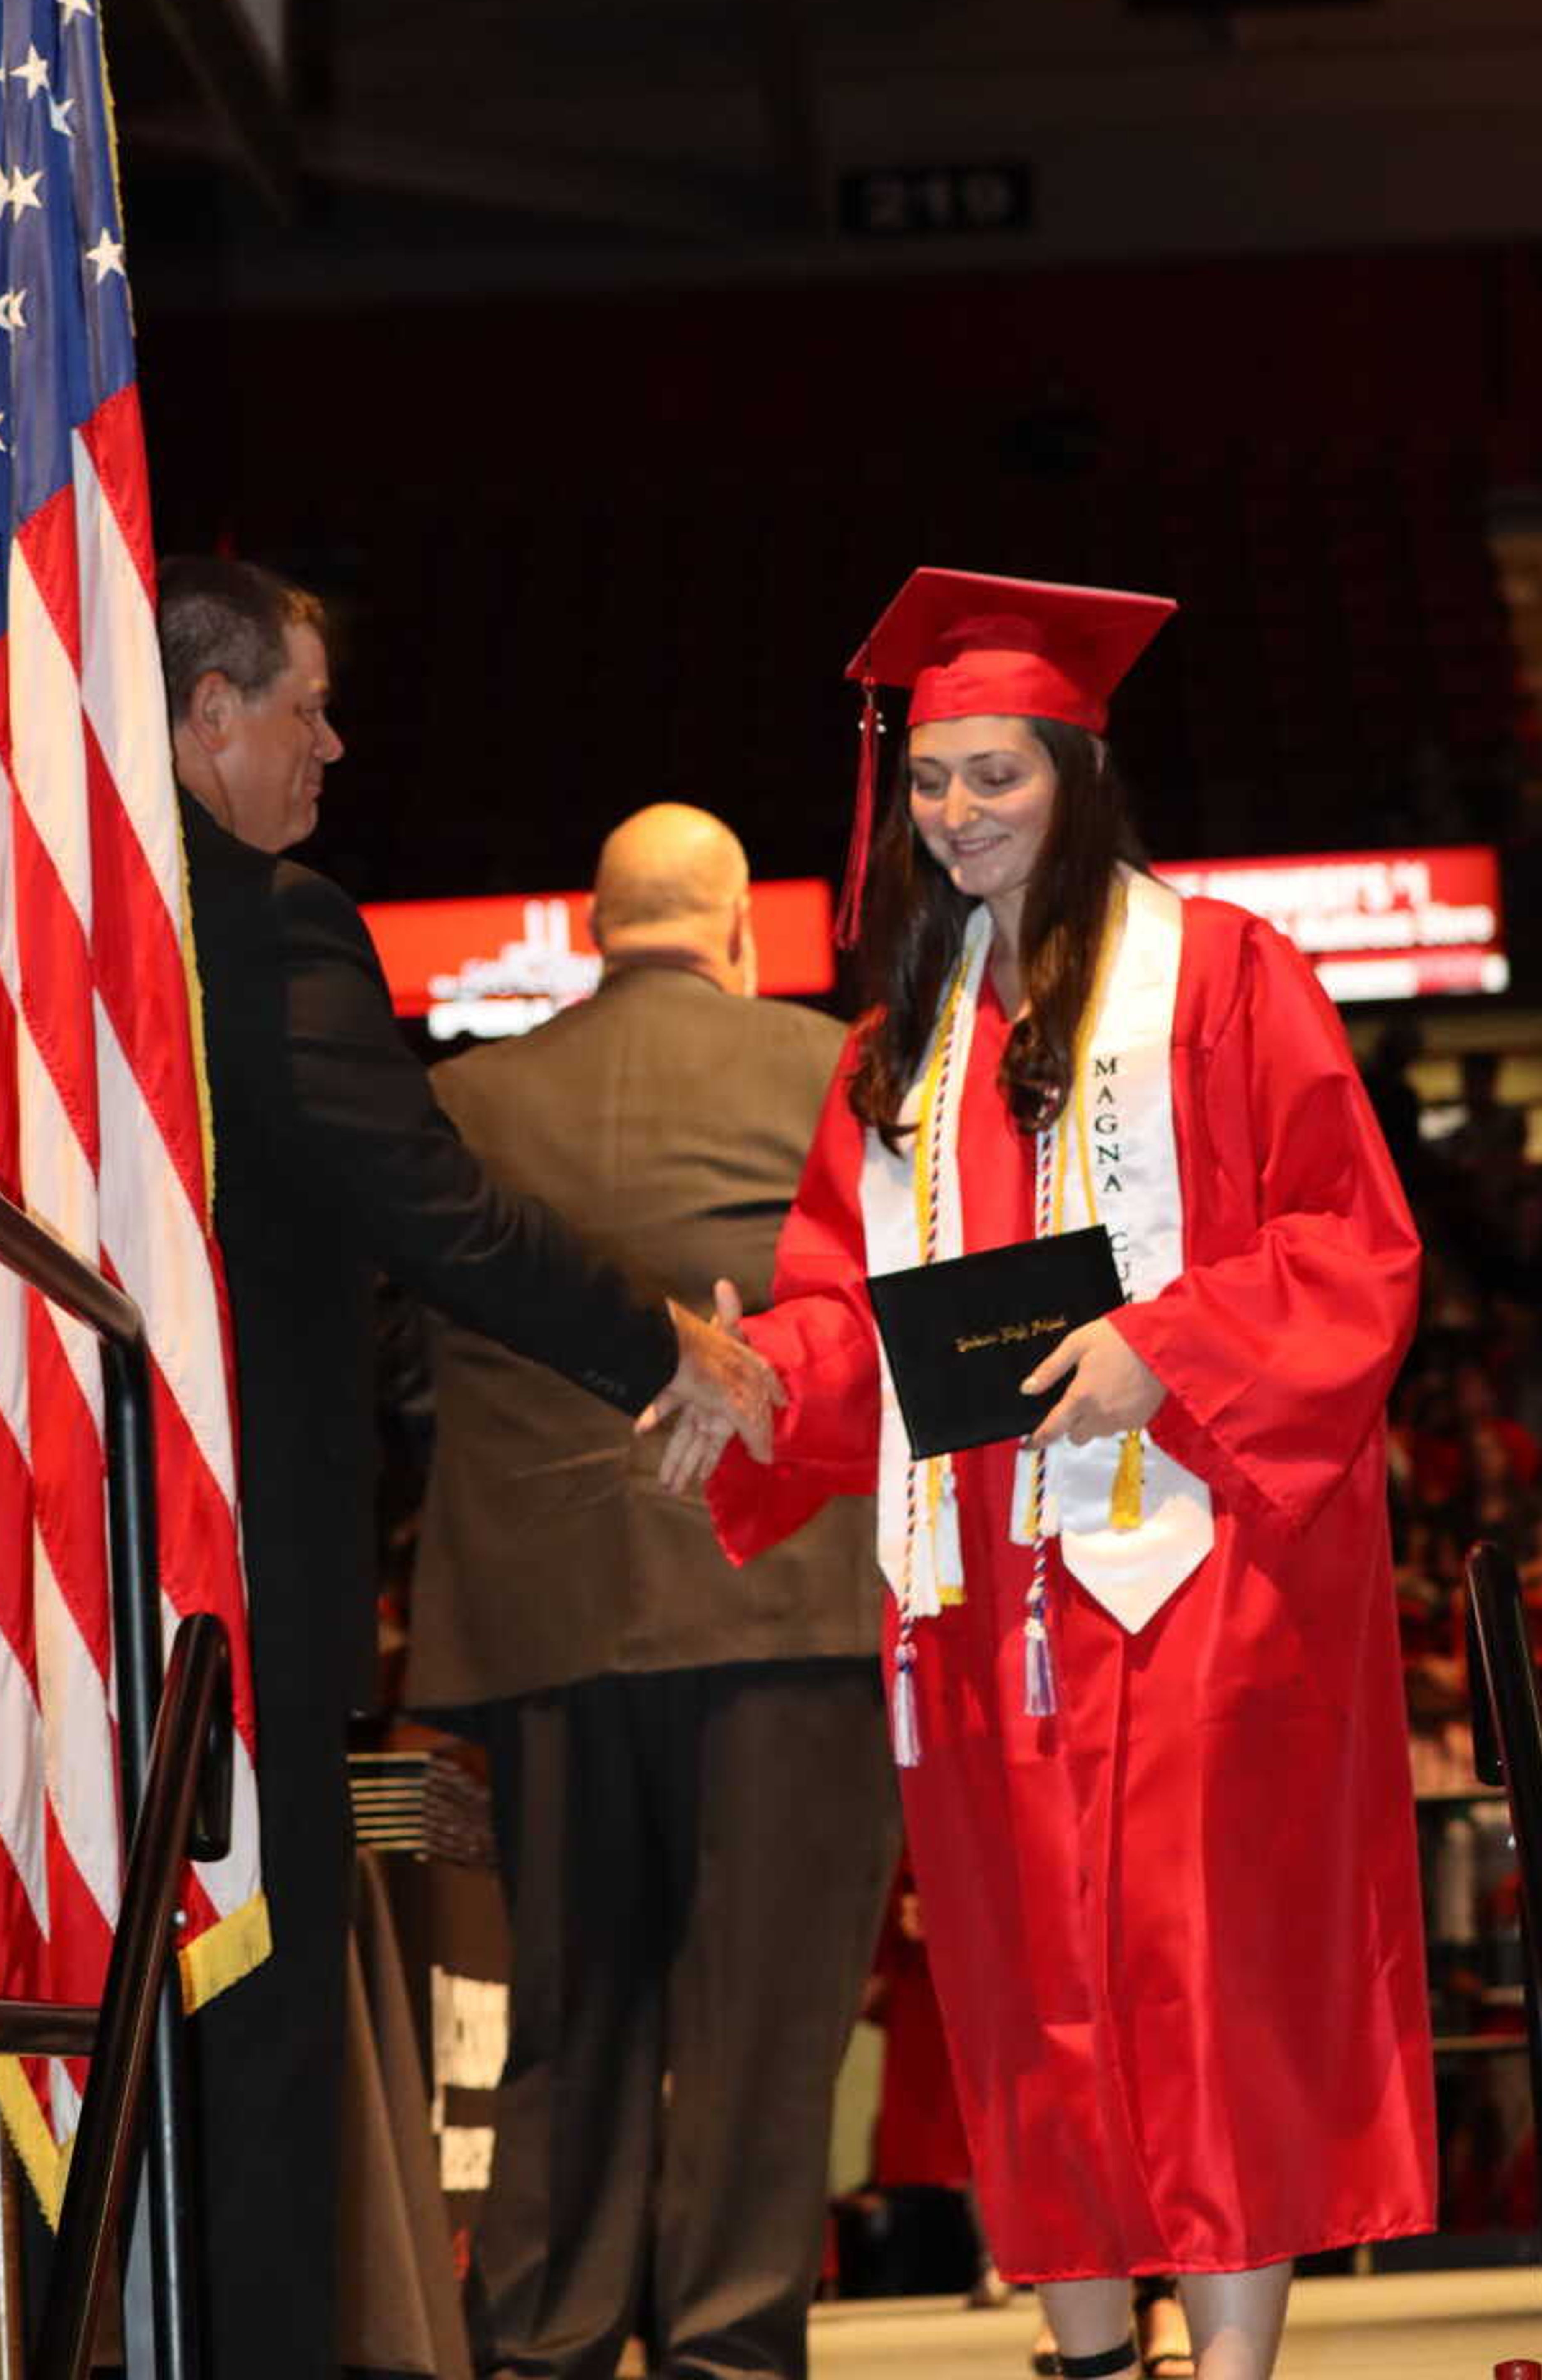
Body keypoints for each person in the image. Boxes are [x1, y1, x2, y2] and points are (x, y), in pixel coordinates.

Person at [677, 570, 1436, 2380]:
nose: (955, 817)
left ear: (1078, 772)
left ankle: (1232, 2367)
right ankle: (1095, 2354)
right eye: (934, 781)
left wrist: (1165, 1347)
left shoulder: (1231, 976)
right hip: (977, 1602)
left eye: (995, 775)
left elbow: (1355, 1246)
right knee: (1035, 1994)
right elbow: (847, 1313)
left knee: (1202, 1976)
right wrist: (754, 1378)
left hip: (1193, 1566)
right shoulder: (897, 1052)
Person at [159, 559, 779, 2380]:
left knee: (109, 2010)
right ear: (207, 716)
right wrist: (668, 1345)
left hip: (58, 1580)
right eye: (305, 708)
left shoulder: (47, 927)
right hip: (232, 1567)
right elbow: (431, 1212)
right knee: (252, 2015)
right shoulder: (266, 922)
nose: (333, 745)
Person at [404, 803, 899, 2380]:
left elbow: (410, 1370)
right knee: (765, 2030)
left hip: (546, 1617)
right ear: (740, 929)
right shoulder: (836, 1068)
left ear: (595, 926)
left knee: (569, 2008)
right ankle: (728, 2353)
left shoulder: (465, 1098)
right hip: (790, 1607)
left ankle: (544, 2342)